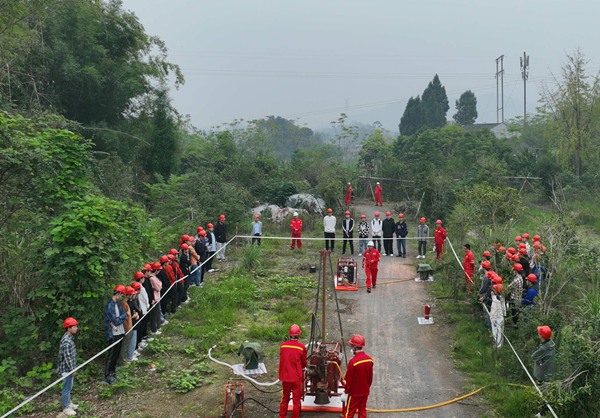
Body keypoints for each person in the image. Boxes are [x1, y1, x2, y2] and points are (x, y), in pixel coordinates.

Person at [341, 334, 374, 418]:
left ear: (355, 347)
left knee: (349, 413)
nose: (351, 348)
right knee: (362, 411)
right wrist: (367, 388)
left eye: (351, 346)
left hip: (354, 393)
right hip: (365, 391)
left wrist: (346, 391)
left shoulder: (353, 362)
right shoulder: (369, 360)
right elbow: (370, 378)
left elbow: (349, 380)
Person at [278, 324, 307, 418]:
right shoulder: (301, 347)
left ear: (289, 335)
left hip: (285, 378)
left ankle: (282, 416)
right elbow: (304, 363)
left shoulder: (283, 346)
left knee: (285, 399)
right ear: (299, 335)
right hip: (296, 378)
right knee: (296, 401)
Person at [104, 285, 127, 384]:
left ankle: (113, 371)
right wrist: (120, 319)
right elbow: (115, 320)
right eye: (122, 295)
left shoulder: (117, 304)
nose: (122, 297)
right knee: (112, 354)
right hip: (113, 333)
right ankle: (107, 374)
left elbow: (124, 314)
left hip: (120, 331)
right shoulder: (110, 305)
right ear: (119, 293)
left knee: (117, 353)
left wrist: (120, 318)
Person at [57, 317, 79, 416]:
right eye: (74, 326)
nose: (76, 328)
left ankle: (69, 403)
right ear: (68, 328)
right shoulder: (66, 341)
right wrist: (72, 370)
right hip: (67, 370)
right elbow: (67, 357)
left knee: (69, 387)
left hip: (70, 368)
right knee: (66, 388)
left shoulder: (69, 338)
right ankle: (66, 407)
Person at [489, 284, 506, 348]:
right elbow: (504, 308)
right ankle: (501, 345)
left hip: (496, 319)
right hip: (501, 318)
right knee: (501, 333)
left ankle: (497, 346)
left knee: (496, 332)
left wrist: (493, 320)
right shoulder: (502, 297)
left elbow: (493, 311)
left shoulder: (495, 301)